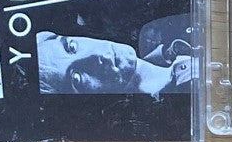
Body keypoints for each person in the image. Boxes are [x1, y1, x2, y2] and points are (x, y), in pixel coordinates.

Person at [36, 19, 196, 96]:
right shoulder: (181, 93)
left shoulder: (163, 37)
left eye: (71, 47)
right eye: (77, 78)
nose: (95, 56)